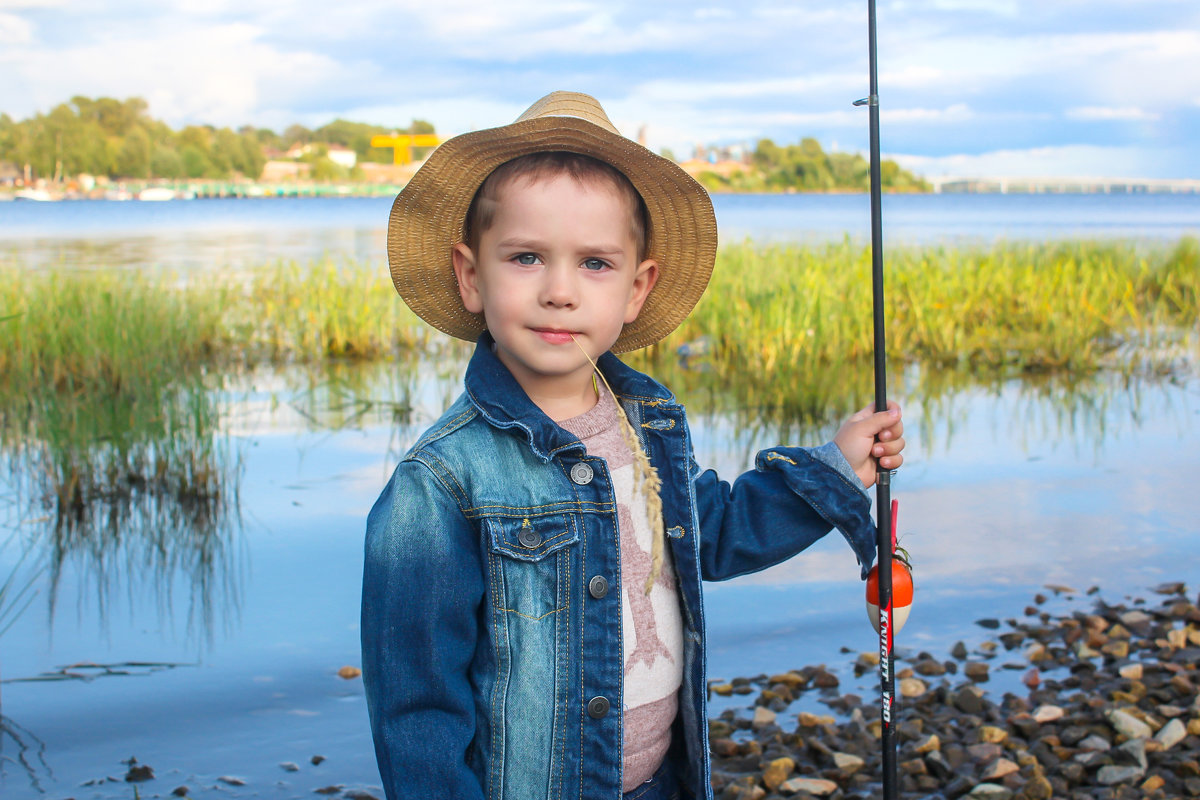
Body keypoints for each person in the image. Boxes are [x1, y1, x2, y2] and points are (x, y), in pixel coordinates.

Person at [361, 91, 905, 800]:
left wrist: (837, 469)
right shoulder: (440, 481)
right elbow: (418, 707)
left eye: (595, 264)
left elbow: (715, 533)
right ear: (472, 276)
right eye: (526, 257)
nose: (560, 291)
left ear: (637, 288)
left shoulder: (646, 427)